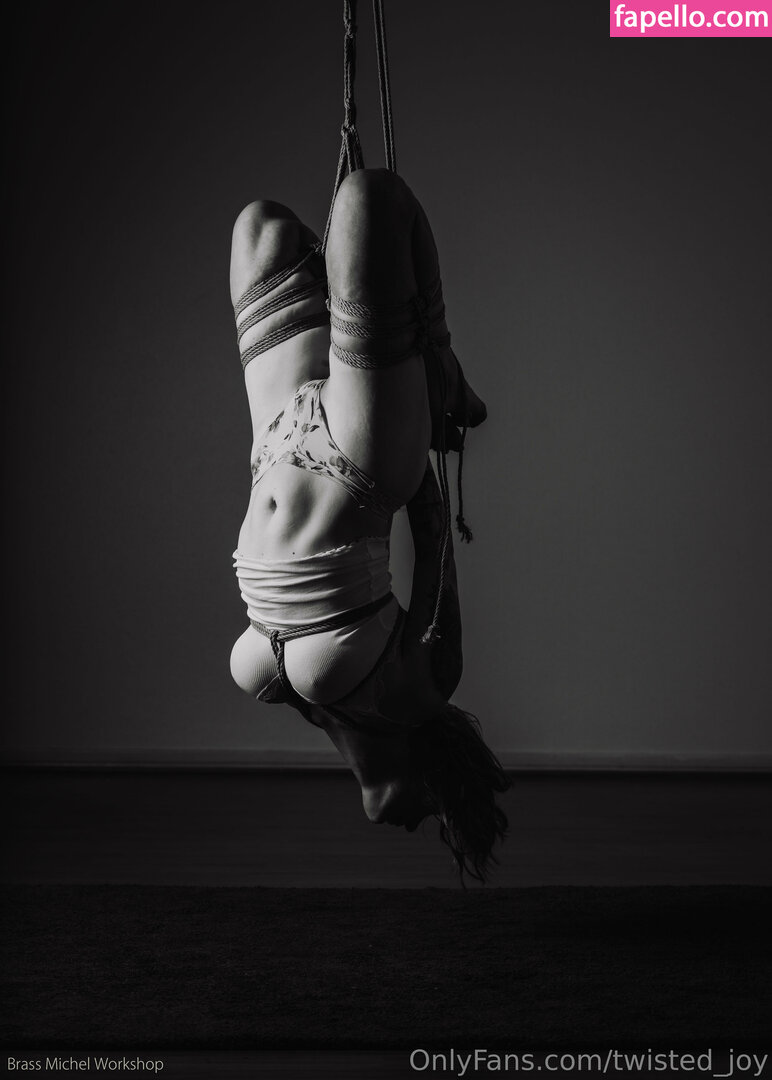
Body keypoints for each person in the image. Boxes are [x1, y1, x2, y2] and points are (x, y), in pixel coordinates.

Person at [228, 168, 508, 881]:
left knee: (261, 228)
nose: (415, 821)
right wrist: (414, 413)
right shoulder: (422, 689)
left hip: (277, 448)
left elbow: (384, 797)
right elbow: (435, 547)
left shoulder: (329, 715)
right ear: (437, 774)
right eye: (434, 813)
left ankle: (411, 352)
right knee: (369, 198)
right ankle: (443, 364)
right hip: (363, 463)